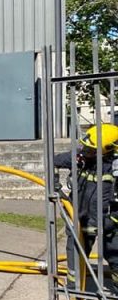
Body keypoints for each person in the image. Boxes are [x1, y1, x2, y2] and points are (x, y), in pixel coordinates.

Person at [53, 123, 118, 289]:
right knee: (75, 258)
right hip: (79, 221)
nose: (85, 152)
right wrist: (55, 181)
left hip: (108, 224)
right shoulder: (80, 158)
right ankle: (74, 291)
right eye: (85, 147)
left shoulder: (114, 168)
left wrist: (113, 219)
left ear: (109, 149)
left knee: (116, 258)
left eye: (91, 150)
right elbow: (55, 160)